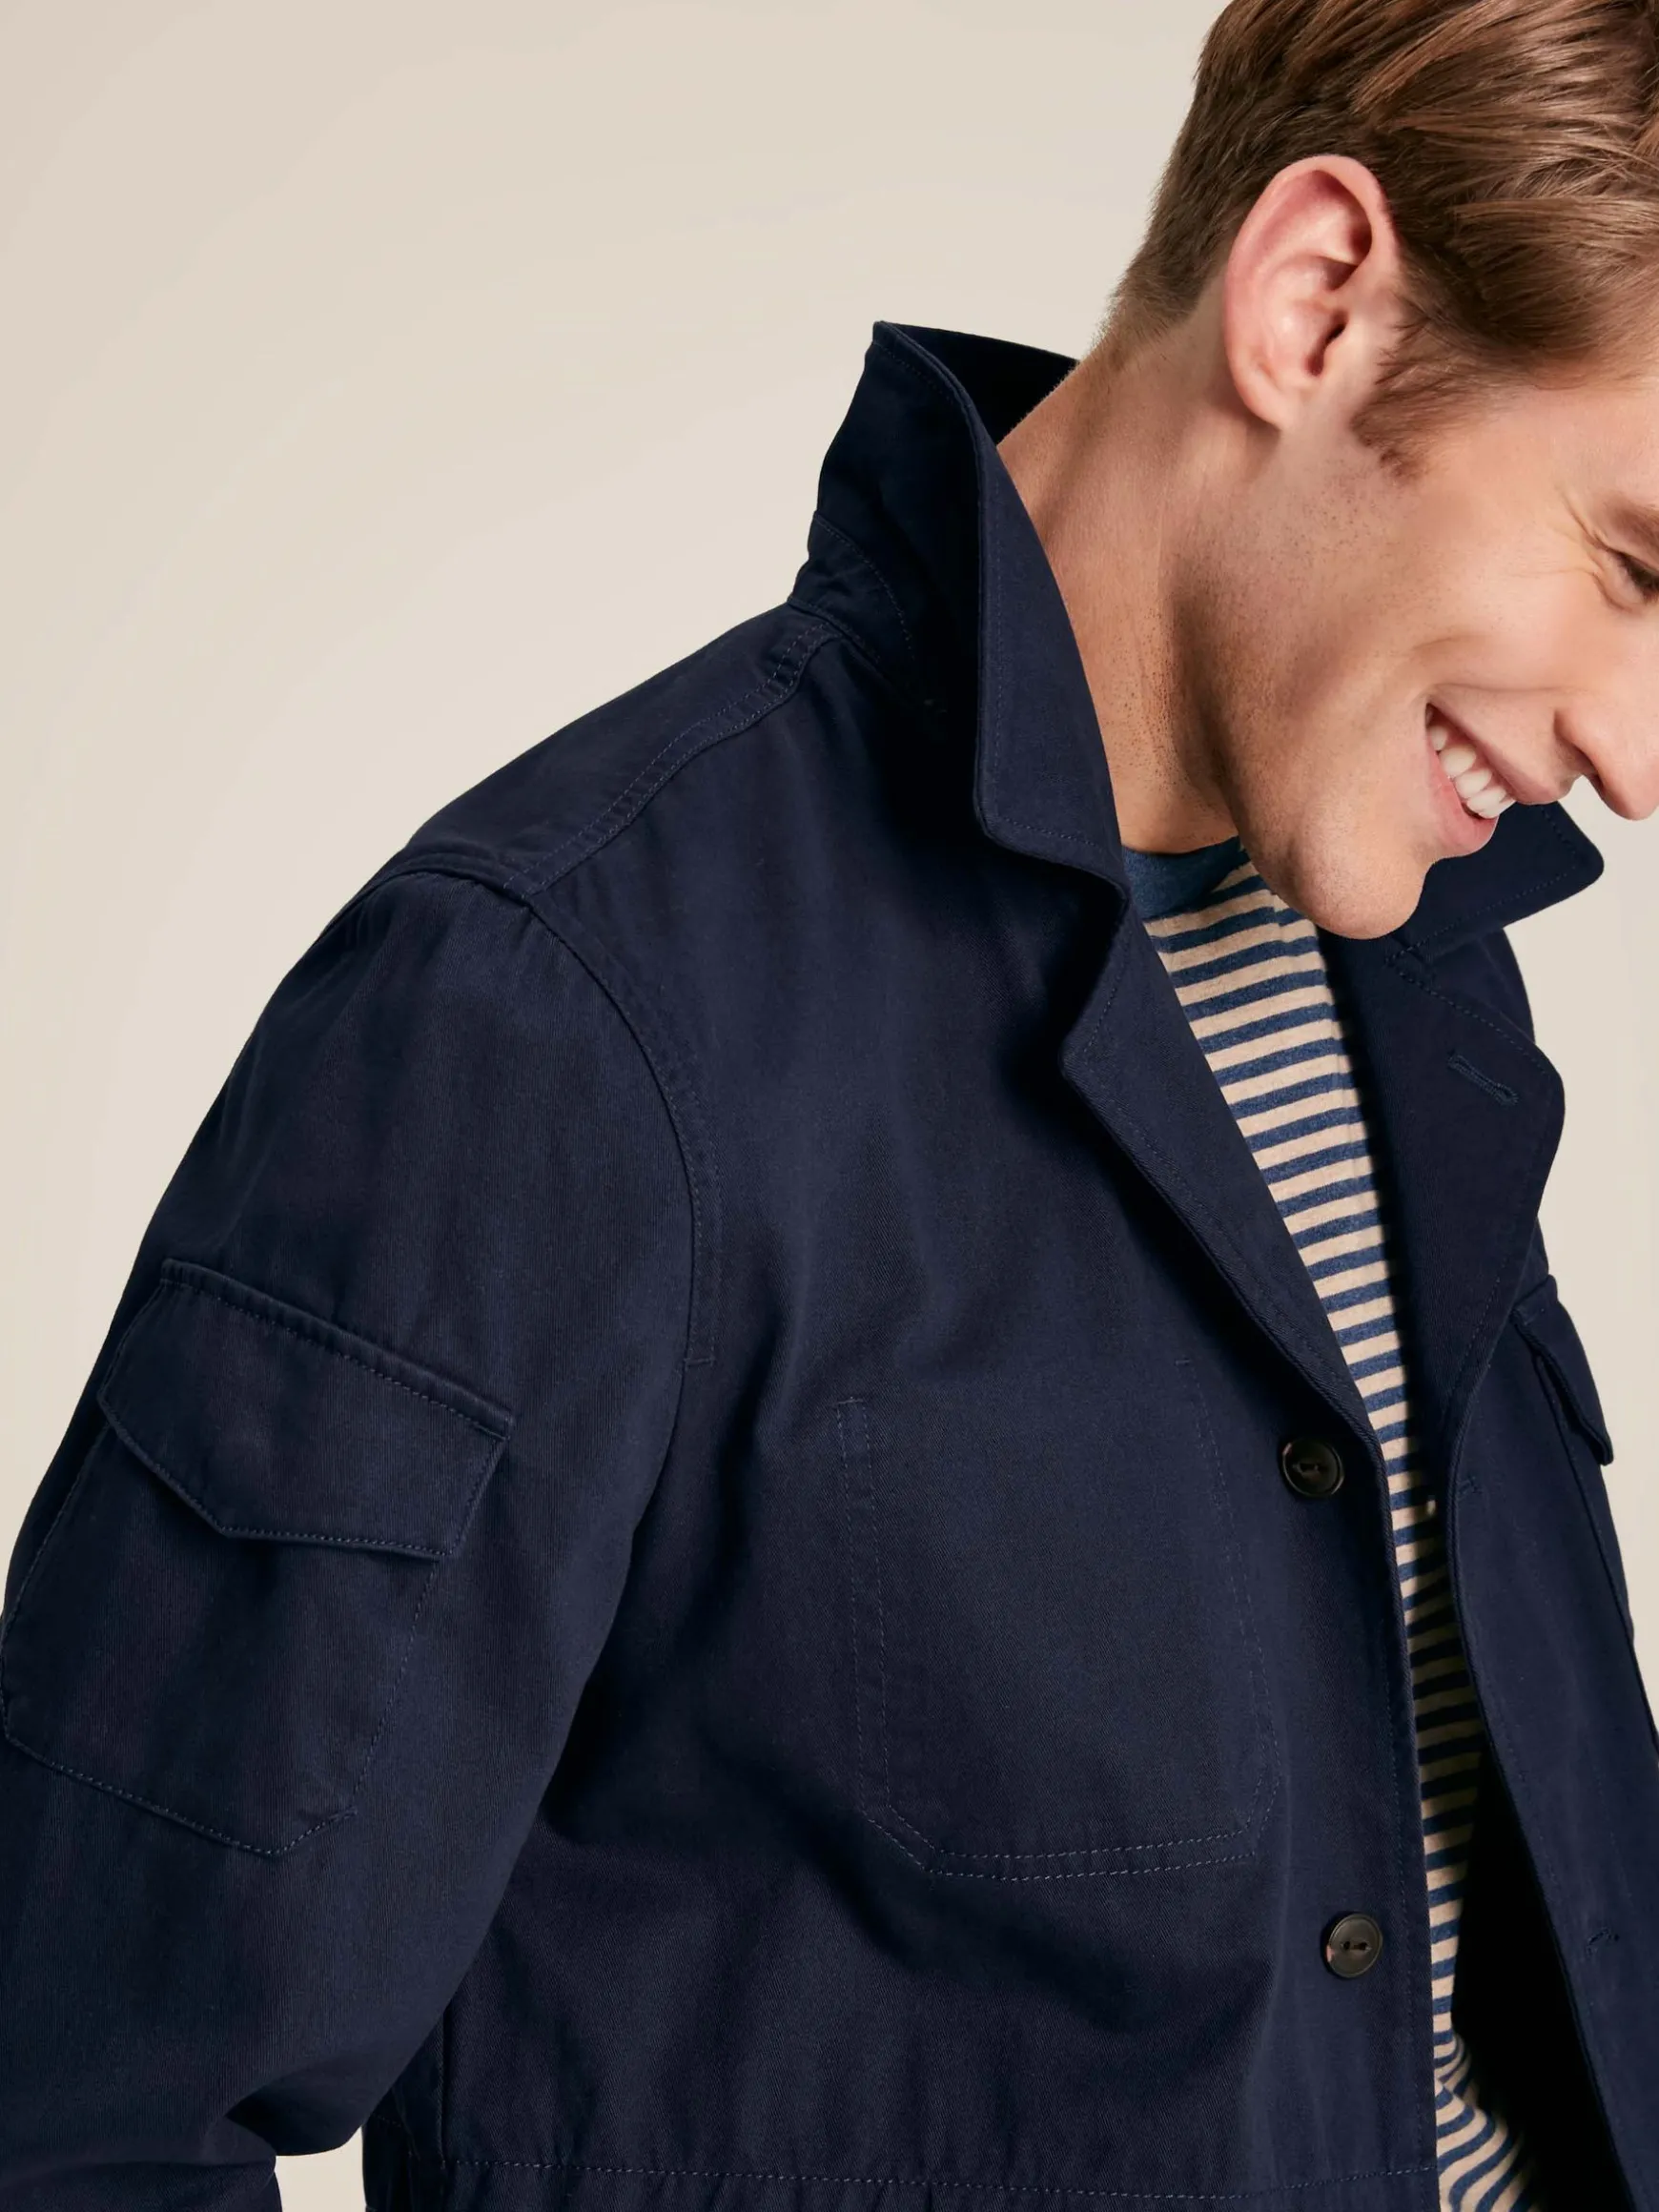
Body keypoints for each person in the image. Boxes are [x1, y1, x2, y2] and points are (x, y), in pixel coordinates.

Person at [4, 0, 1658, 2203]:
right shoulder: (553, 1022)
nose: (1641, 756)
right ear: (1316, 303)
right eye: (1633, 566)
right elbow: (84, 2111)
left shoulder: (1421, 965)